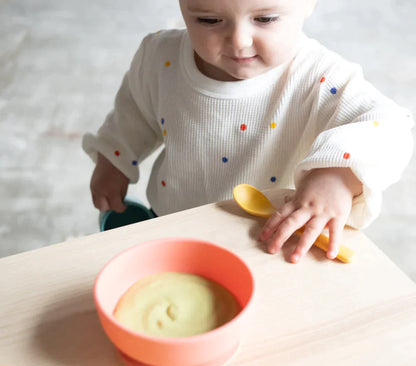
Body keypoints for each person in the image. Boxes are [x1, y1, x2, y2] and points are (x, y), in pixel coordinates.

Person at [83, 0, 414, 263]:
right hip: (171, 222)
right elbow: (135, 111)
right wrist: (114, 158)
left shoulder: (319, 78)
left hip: (262, 242)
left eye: (266, 18)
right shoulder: (159, 57)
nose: (239, 41)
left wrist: (338, 174)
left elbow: (392, 126)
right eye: (209, 20)